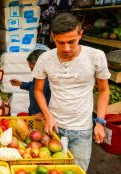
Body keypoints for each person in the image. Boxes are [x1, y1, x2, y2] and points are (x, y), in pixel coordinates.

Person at [32, 13, 110, 171]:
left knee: (76, 170)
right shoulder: (45, 59)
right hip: (53, 128)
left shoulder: (96, 56)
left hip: (82, 130)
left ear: (81, 34)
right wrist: (47, 115)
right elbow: (38, 91)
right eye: (60, 43)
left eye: (71, 42)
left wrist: (100, 122)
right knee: (50, 170)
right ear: (53, 36)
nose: (66, 48)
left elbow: (103, 90)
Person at [10, 49, 51, 119]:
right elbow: (34, 86)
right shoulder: (38, 76)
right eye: (31, 69)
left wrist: (44, 113)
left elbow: (55, 102)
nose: (32, 71)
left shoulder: (52, 81)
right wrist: (21, 84)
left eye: (33, 69)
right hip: (33, 113)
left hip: (42, 117)